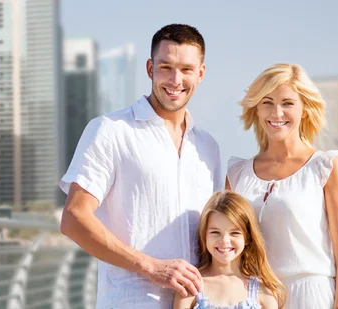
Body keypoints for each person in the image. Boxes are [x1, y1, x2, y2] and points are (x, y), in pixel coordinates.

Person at [59, 24, 221, 308]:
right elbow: (73, 218)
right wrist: (151, 266)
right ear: (149, 68)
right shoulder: (110, 130)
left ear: (201, 73)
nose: (175, 79)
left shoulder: (208, 147)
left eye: (186, 69)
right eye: (165, 67)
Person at [226, 63, 338, 308]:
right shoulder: (236, 174)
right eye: (267, 102)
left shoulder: (326, 167)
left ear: (305, 109)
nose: (276, 113)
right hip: (254, 296)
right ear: (256, 108)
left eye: (287, 103)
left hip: (311, 295)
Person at [173, 191, 285, 309]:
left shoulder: (264, 292)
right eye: (215, 232)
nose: (225, 240)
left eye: (234, 233)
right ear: (204, 235)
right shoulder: (190, 287)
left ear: (247, 237)